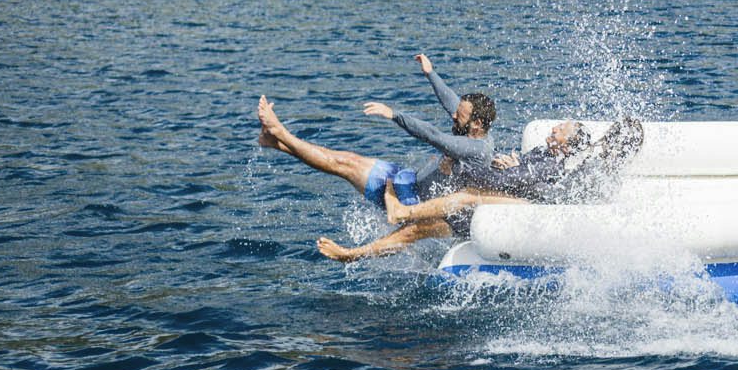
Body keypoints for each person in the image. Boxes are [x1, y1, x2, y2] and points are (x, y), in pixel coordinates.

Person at [315, 118, 645, 263]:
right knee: (414, 233)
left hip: (518, 211)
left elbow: (505, 183)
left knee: (457, 202)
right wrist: (514, 162)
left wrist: (464, 166)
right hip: (518, 198)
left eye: (562, 129)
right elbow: (518, 174)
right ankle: (353, 255)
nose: (555, 127)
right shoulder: (547, 156)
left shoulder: (553, 164)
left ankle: (397, 214)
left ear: (565, 146)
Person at [255, 54, 497, 209]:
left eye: (460, 115)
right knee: (345, 159)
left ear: (476, 123)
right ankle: (275, 142)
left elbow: (433, 135)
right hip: (407, 180)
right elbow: (452, 102)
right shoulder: (472, 130)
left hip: (409, 200)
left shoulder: (473, 148)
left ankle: (281, 133)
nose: (454, 114)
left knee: (341, 162)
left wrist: (394, 115)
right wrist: (430, 73)